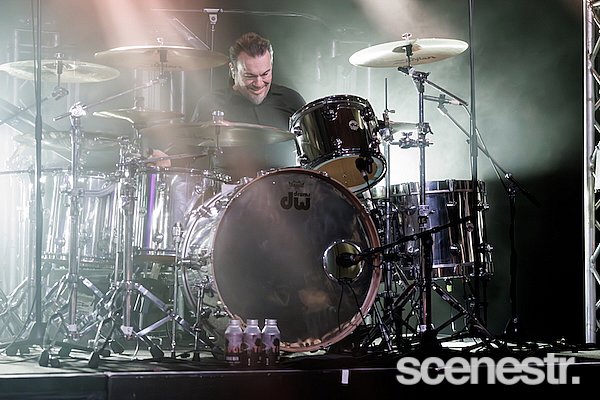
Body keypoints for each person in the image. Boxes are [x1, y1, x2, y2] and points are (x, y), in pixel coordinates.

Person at [187, 31, 306, 181]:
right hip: (230, 191)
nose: (259, 83)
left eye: (265, 74)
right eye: (250, 76)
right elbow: (187, 151)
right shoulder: (211, 104)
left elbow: (315, 155)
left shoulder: (291, 100)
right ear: (233, 70)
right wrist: (166, 159)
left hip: (287, 191)